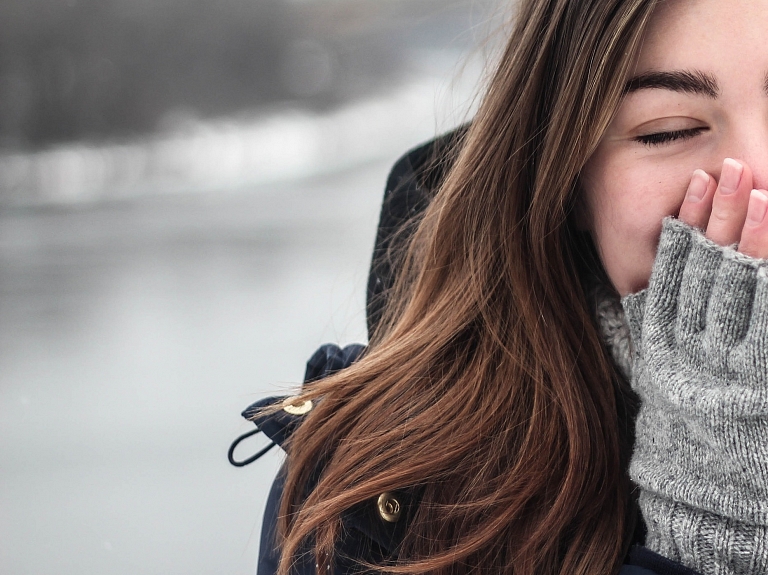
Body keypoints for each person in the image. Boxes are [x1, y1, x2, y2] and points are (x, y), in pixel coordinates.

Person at [242, 0, 768, 573]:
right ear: (570, 182)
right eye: (671, 131)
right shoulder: (372, 490)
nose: (756, 177)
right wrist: (719, 508)